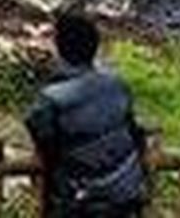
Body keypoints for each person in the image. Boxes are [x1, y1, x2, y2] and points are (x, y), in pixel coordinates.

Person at [25, 12, 146, 217]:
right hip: (125, 195)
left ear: (59, 48)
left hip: (81, 202)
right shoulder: (117, 85)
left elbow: (46, 144)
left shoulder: (51, 99)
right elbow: (133, 132)